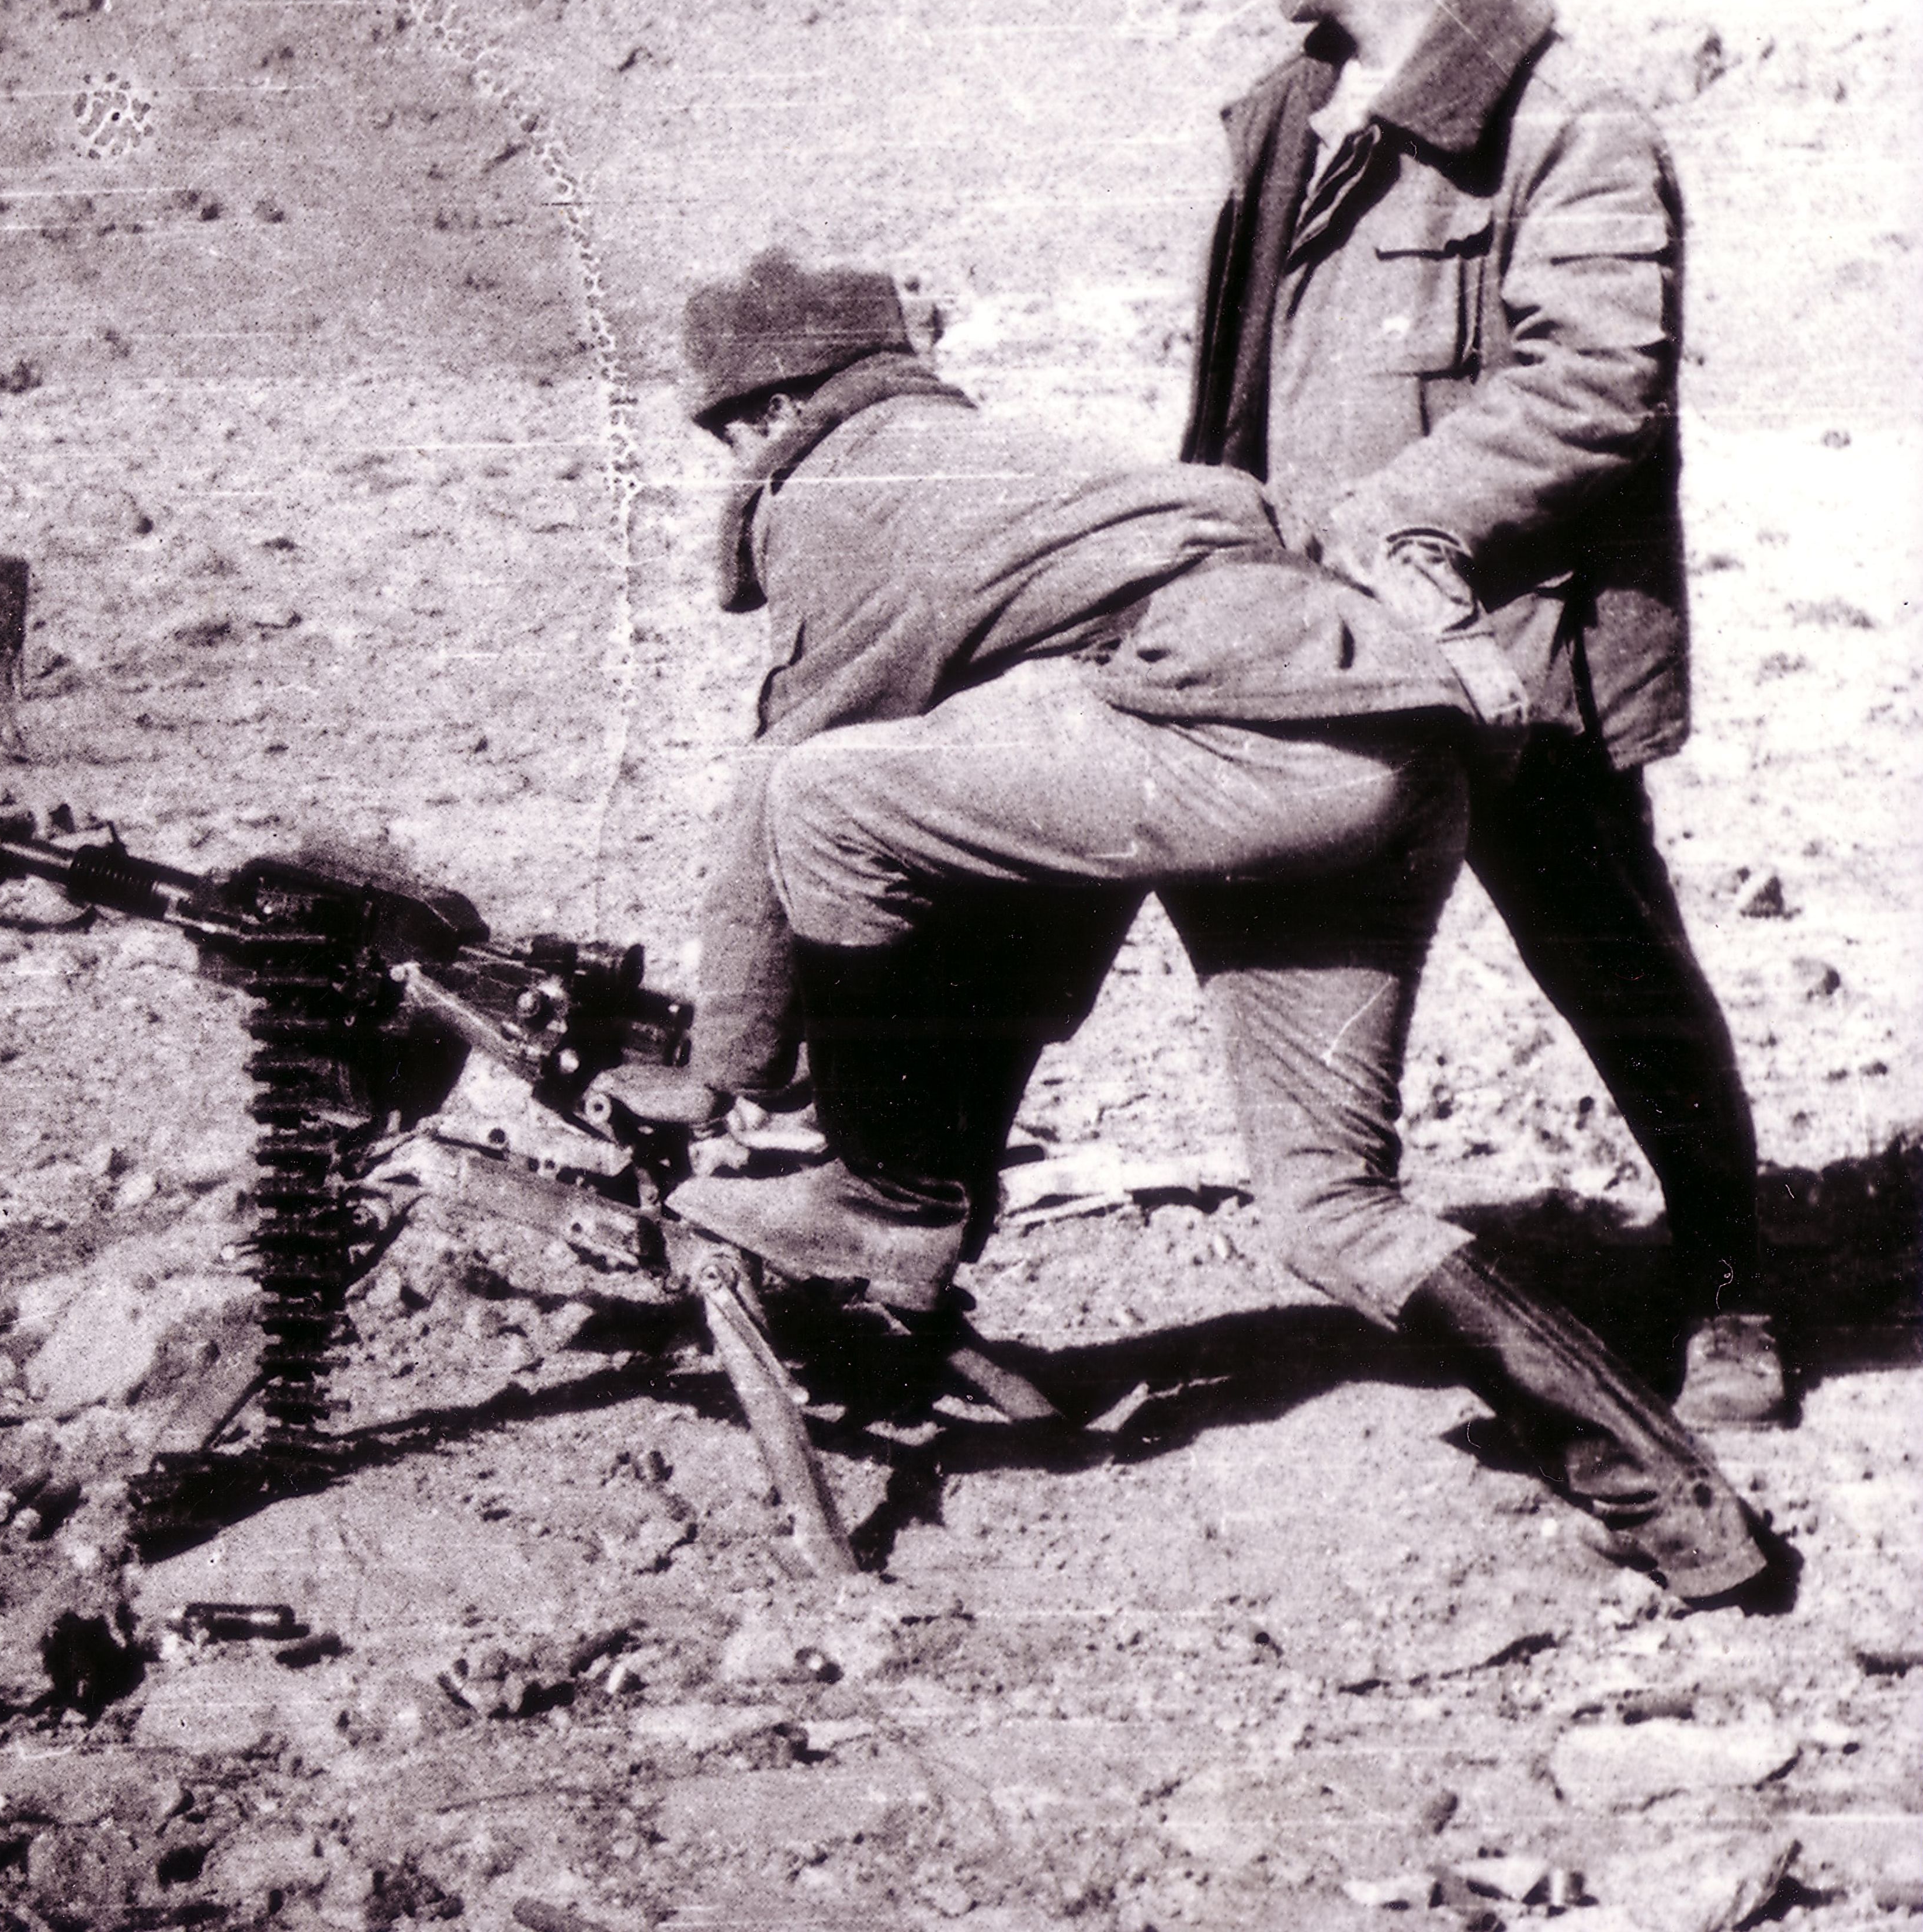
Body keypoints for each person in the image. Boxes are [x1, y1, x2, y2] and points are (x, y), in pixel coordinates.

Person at [671, 246, 1772, 1605]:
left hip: (1241, 750)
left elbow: (783, 775)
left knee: (823, 796)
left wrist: (729, 1072)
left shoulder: (835, 489)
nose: (734, 459)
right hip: (1393, 752)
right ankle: (1675, 1499)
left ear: (775, 410)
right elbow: (1043, 836)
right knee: (1331, 1207)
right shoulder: (1036, 461)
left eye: (730, 431)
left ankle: (885, 1198)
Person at [1185, 0, 1778, 1428]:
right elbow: (1243, 390)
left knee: (1612, 959)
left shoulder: (1572, 123)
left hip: (1525, 657)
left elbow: (1597, 386)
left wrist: (1391, 522)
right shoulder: (1288, 114)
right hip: (1320, 645)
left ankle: (1730, 1272)